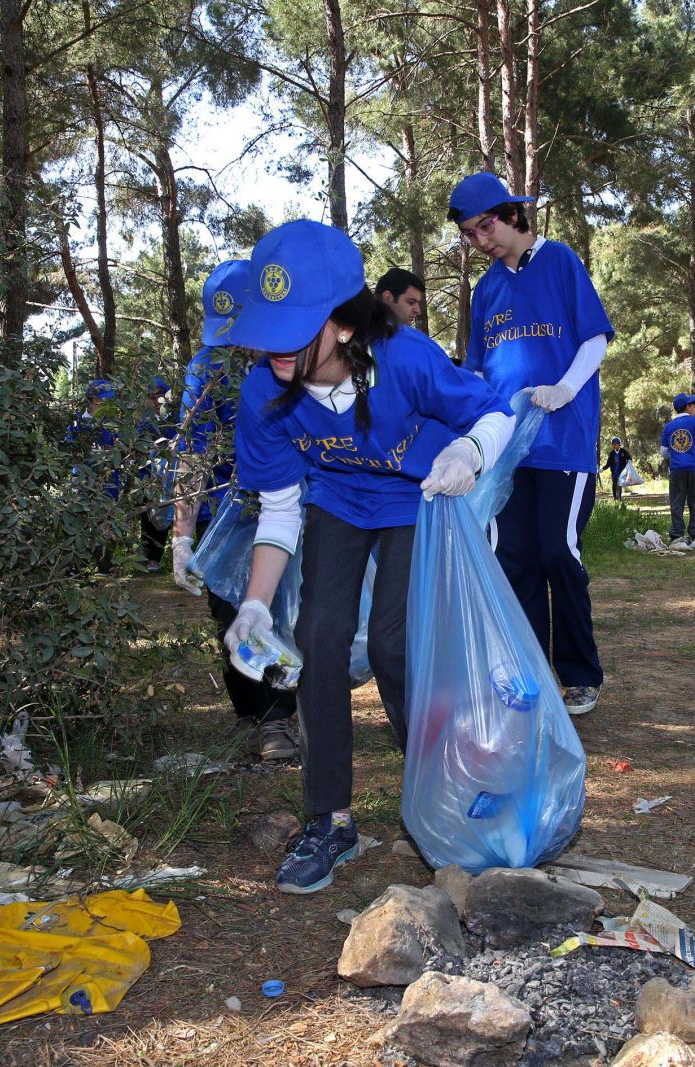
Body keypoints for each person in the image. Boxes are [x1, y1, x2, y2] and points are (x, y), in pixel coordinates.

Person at [221, 220, 514, 894]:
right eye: (269, 327)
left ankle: (447, 792)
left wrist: (470, 452)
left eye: (295, 327)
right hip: (338, 500)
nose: (274, 348)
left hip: (423, 495)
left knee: (392, 643)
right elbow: (279, 507)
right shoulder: (265, 391)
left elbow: (494, 410)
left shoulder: (406, 359)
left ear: (346, 325)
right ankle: (330, 818)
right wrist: (257, 604)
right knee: (318, 638)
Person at [449, 171, 614, 718]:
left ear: (513, 214)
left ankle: (580, 674)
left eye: (486, 225)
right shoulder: (487, 288)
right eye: (471, 234)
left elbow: (594, 336)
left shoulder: (560, 260)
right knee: (511, 557)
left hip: (562, 443)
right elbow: (476, 368)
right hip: (504, 451)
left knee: (556, 552)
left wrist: (567, 388)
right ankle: (528, 670)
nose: (481, 240)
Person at [169, 262, 300, 762]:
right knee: (229, 612)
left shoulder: (291, 356)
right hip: (227, 513)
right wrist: (182, 535)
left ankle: (279, 718)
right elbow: (193, 454)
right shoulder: (206, 368)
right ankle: (254, 710)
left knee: (283, 609)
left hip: (286, 504)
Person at [65, 378, 124, 576]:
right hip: (83, 482)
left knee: (106, 522)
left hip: (109, 483)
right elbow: (71, 452)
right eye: (105, 400)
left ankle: (104, 564)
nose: (109, 405)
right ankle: (77, 567)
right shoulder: (77, 424)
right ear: (95, 400)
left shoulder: (113, 425)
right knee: (81, 522)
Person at [662, 392, 695, 548]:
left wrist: (675, 458)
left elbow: (664, 451)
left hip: (677, 470)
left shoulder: (669, 426)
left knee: (677, 502)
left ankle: (677, 534)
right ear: (687, 407)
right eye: (693, 405)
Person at [137, 376, 174, 573]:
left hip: (169, 475)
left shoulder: (174, 417)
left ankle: (157, 558)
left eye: (159, 395)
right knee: (146, 513)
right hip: (145, 474)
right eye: (151, 396)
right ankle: (145, 556)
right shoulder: (141, 420)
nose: (155, 400)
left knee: (165, 512)